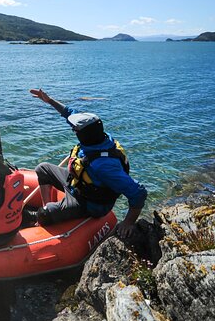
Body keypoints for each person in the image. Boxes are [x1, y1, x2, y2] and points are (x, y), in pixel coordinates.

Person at [29, 88, 147, 238]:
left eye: (75, 130)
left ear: (84, 134)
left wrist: (129, 222)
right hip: (77, 184)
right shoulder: (98, 136)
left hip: (90, 203)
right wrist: (49, 100)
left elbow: (139, 193)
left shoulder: (103, 165)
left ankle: (46, 214)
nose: (73, 131)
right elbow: (69, 112)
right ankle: (49, 205)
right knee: (42, 169)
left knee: (44, 214)